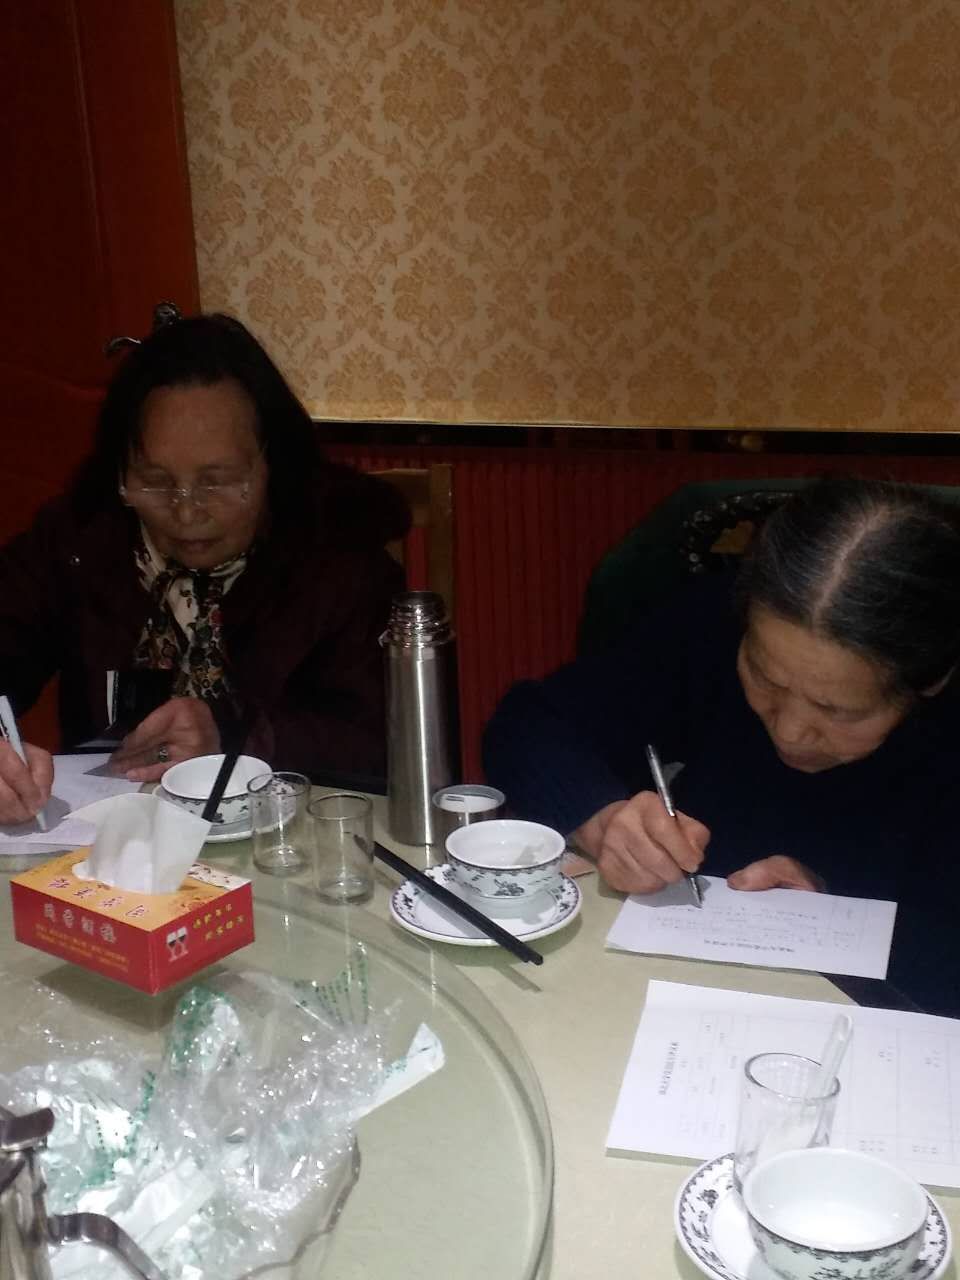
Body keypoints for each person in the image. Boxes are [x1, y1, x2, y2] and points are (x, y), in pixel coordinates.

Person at [483, 478, 960, 1015]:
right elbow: (530, 724)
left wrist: (841, 919)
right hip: (674, 985)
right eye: (765, 678)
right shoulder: (717, 625)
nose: (790, 731)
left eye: (838, 711)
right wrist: (602, 817)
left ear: (933, 682)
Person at [0, 311, 409, 824]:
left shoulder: (340, 557)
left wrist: (236, 736)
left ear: (272, 465)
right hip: (108, 843)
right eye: (155, 481)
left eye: (218, 481)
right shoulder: (82, 539)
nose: (188, 513)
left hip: (289, 841)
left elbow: (378, 745)